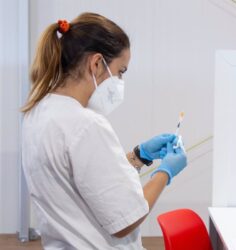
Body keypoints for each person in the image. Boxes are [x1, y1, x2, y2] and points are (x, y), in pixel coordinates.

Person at [21, 12, 187, 250]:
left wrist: (138, 156)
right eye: (121, 71)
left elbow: (84, 184)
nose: (120, 81)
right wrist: (166, 172)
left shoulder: (38, 112)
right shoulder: (85, 125)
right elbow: (126, 221)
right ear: (97, 63)